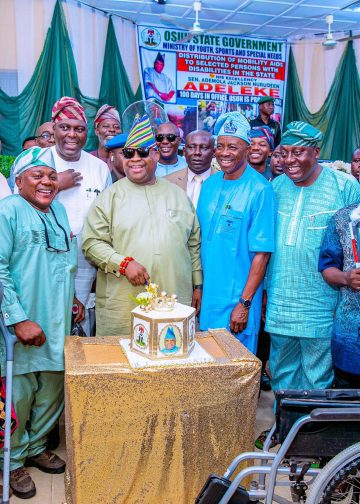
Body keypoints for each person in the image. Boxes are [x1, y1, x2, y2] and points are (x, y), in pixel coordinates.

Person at [0, 147, 84, 499]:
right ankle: (13, 460)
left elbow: (65, 260)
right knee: (19, 396)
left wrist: (74, 298)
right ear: (18, 181)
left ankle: (35, 447)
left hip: (57, 319)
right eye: (37, 175)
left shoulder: (60, 210)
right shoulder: (8, 211)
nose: (47, 181)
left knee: (50, 391)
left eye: (51, 175)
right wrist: (18, 320)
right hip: (23, 325)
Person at [82, 114, 202, 336]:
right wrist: (123, 264)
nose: (135, 158)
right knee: (123, 365)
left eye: (142, 152)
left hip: (174, 300)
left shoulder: (178, 196)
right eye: (128, 153)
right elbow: (91, 243)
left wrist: (198, 285)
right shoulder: (109, 198)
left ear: (155, 154)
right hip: (124, 303)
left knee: (171, 361)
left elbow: (193, 244)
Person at [265, 121, 360, 392]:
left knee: (318, 379)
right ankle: (284, 430)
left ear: (316, 152)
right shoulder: (275, 187)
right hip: (280, 303)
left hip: (323, 305)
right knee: (282, 376)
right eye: (284, 152)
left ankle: (312, 433)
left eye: (298, 152)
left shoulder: (345, 187)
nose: (289, 160)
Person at [197, 112, 276, 354]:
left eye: (232, 146)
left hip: (237, 304)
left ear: (247, 148)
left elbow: (262, 254)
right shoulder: (209, 185)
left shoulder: (261, 190)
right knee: (206, 369)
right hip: (208, 299)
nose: (224, 153)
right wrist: (198, 287)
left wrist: (244, 304)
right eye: (220, 146)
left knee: (235, 376)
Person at [51, 96, 112, 334]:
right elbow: (19, 206)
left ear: (88, 132)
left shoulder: (98, 167)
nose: (72, 135)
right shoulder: (36, 159)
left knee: (80, 325)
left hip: (85, 264)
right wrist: (56, 183)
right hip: (45, 262)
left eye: (79, 129)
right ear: (54, 127)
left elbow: (106, 218)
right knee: (48, 323)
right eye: (65, 127)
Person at [319, 203, 360, 388]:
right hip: (350, 338)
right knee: (348, 410)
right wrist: (346, 278)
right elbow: (327, 267)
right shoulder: (343, 218)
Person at [165, 130, 215, 208]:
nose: (197, 152)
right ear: (184, 152)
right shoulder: (167, 182)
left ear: (214, 152)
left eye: (204, 148)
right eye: (191, 147)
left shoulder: (224, 183)